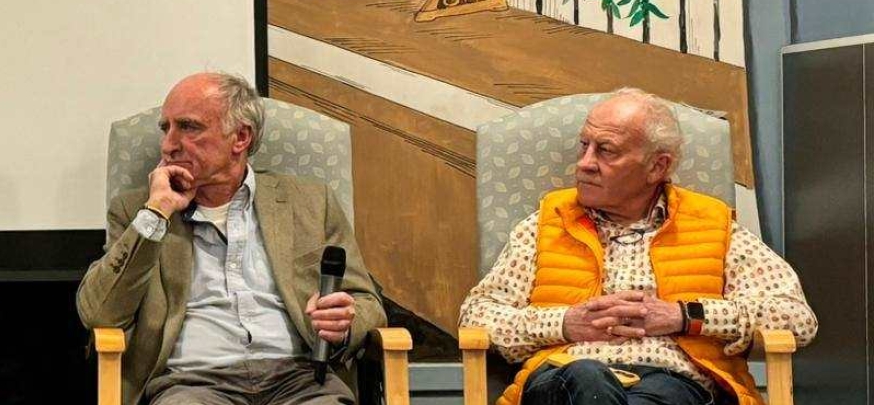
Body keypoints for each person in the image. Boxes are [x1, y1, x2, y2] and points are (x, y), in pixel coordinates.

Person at [460, 88, 818, 404]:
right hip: (565, 377)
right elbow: (477, 314)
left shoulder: (712, 225)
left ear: (657, 167)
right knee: (586, 377)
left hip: (671, 383)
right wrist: (563, 323)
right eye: (584, 146)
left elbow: (795, 317)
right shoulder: (545, 224)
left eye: (606, 151)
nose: (584, 164)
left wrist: (684, 316)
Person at [77, 72, 385, 405]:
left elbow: (366, 302)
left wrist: (343, 325)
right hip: (192, 385)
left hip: (302, 381)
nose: (168, 146)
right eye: (166, 129)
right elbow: (98, 313)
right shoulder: (138, 211)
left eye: (188, 127)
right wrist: (156, 212)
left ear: (240, 137)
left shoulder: (311, 202)